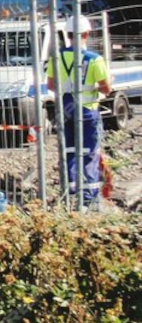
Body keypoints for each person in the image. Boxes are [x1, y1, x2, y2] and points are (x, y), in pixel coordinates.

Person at [45, 17, 112, 203]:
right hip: (88, 111)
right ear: (87, 34)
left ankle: (71, 192)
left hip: (65, 110)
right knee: (89, 152)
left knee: (70, 151)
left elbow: (51, 85)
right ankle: (89, 198)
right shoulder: (94, 59)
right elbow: (106, 89)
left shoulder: (56, 57)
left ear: (67, 35)